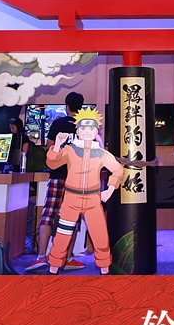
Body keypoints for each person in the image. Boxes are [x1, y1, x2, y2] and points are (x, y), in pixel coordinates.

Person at [47, 108, 123, 275]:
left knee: (100, 235)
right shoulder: (70, 150)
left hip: (93, 200)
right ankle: (53, 267)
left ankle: (104, 268)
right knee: (62, 234)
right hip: (71, 199)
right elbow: (52, 163)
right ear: (78, 131)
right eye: (83, 128)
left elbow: (118, 170)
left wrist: (110, 189)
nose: (87, 131)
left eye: (91, 128)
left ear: (96, 131)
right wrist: (57, 145)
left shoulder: (102, 154)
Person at [26, 92, 87, 273]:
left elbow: (49, 148)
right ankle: (67, 258)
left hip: (57, 174)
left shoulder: (58, 124)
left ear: (67, 106)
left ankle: (41, 257)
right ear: (81, 106)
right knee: (72, 218)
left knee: (49, 214)